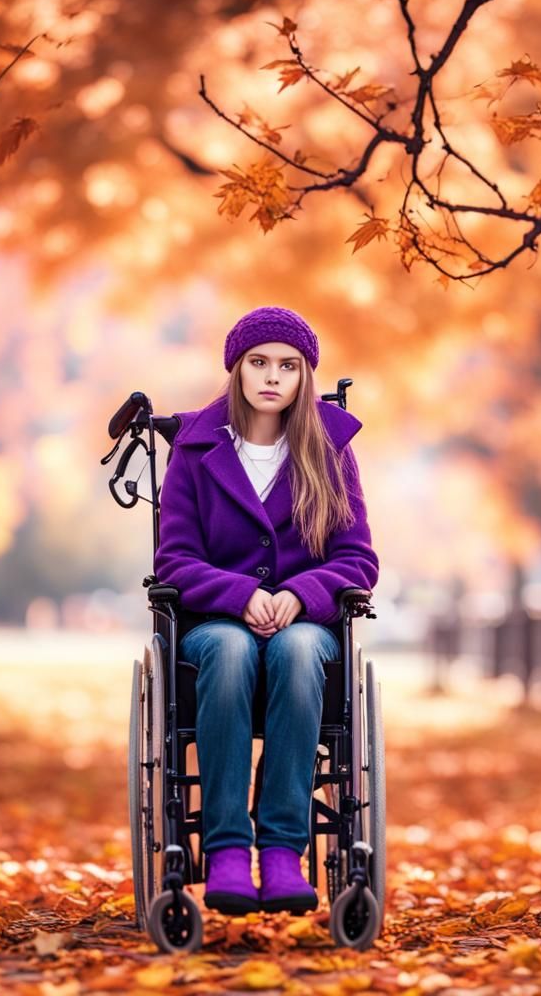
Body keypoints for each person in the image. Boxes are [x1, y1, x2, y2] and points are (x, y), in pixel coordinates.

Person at [155, 305, 380, 916]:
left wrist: (298, 595)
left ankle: (283, 851)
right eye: (259, 363)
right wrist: (239, 595)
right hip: (214, 627)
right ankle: (227, 848)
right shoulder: (196, 449)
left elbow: (358, 559)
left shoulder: (329, 451)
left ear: (306, 375)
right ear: (237, 369)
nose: (272, 376)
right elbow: (173, 560)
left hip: (305, 627)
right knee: (228, 649)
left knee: (299, 646)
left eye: (288, 365)